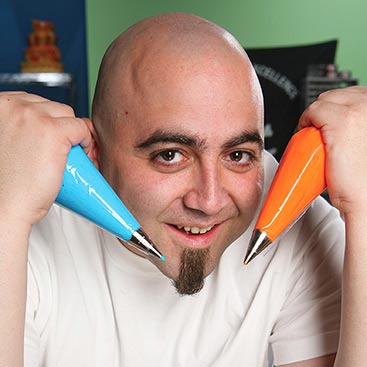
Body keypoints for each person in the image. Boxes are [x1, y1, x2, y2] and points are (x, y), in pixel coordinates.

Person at [0, 12, 366, 367]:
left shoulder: (292, 216)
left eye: (238, 155)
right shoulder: (28, 215)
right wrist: (7, 215)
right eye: (170, 155)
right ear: (94, 152)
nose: (209, 201)